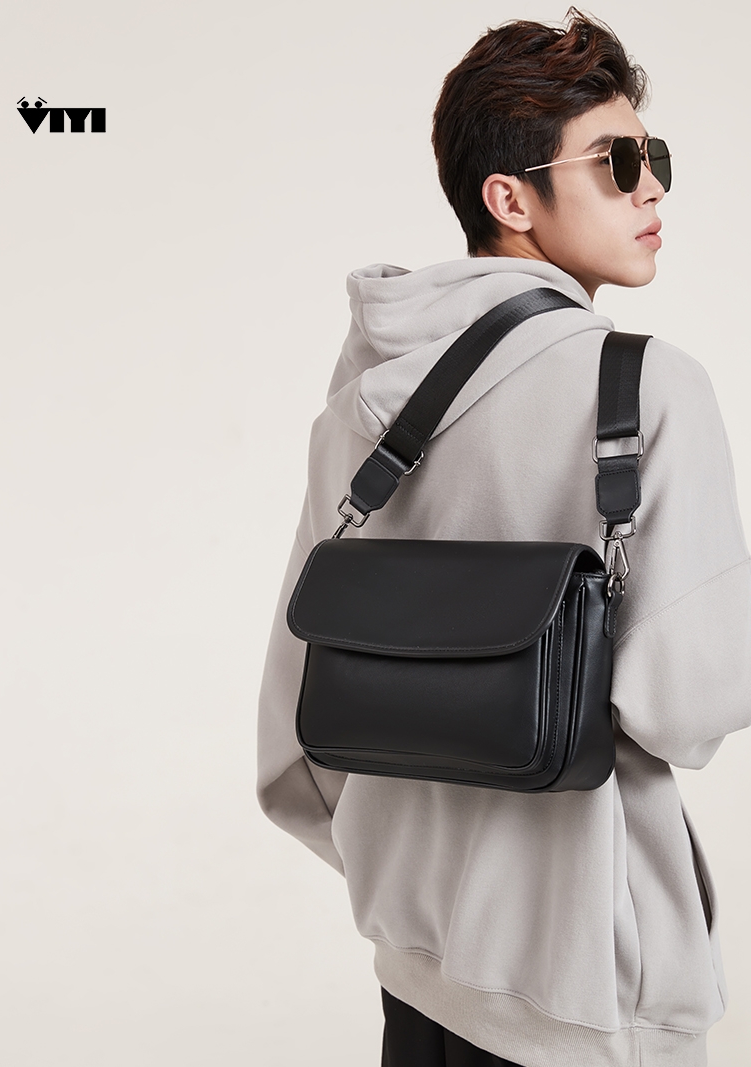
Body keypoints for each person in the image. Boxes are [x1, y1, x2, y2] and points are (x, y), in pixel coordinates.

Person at [256, 9, 751, 1067]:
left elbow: (293, 726)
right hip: (581, 988)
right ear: (509, 199)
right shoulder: (650, 387)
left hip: (415, 966)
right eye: (617, 163)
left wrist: (414, 872)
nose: (651, 190)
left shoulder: (363, 404)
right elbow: (686, 708)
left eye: (654, 159)